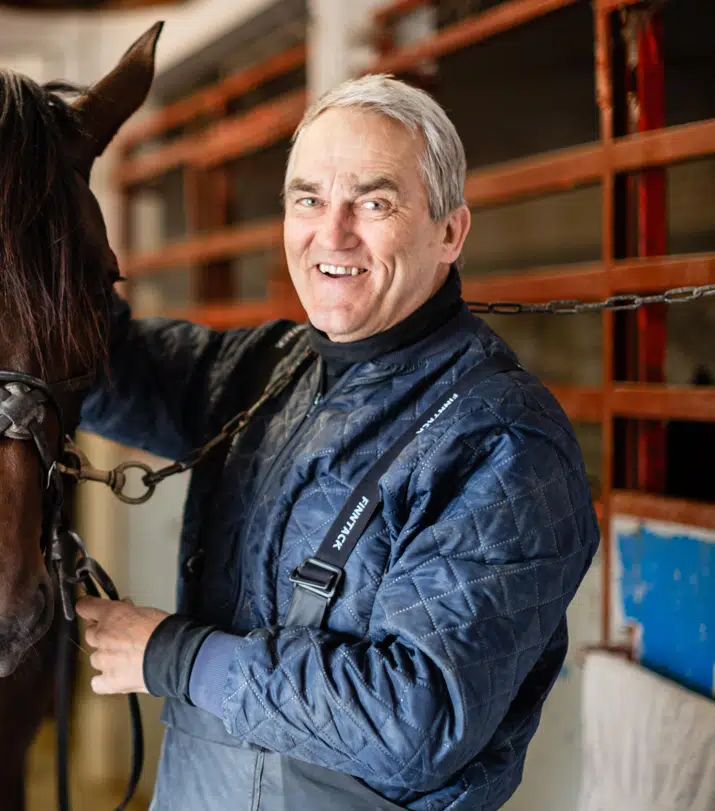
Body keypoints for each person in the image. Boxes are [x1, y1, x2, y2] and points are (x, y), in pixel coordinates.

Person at [74, 73, 600, 811]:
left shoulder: (501, 440)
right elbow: (92, 364)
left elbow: (417, 718)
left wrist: (174, 654)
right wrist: (33, 205)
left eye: (374, 201)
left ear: (450, 231)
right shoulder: (267, 371)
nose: (333, 232)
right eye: (308, 199)